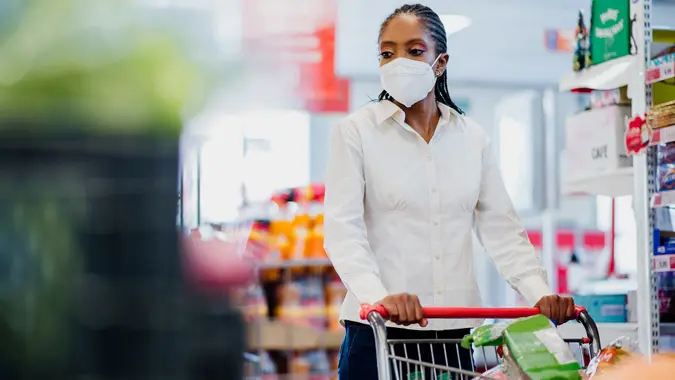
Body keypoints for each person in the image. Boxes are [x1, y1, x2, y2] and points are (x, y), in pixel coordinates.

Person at [323, 4, 575, 380]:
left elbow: (502, 231)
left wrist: (538, 293)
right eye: (387, 53)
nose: (398, 62)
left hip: (454, 341)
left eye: (414, 50)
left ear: (440, 63)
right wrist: (380, 297)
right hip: (377, 336)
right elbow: (343, 233)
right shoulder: (356, 132)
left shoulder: (471, 138)